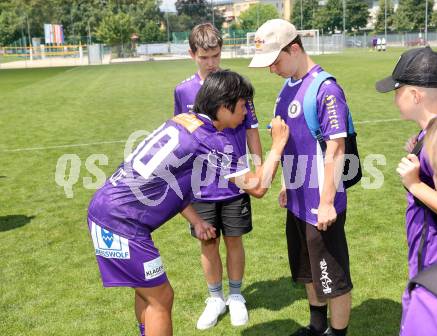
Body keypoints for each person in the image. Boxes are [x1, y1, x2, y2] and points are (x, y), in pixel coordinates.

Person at [87, 70, 289, 336]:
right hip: (121, 222)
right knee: (161, 298)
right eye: (242, 106)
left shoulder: (183, 120)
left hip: (106, 209)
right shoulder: (211, 141)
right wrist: (277, 144)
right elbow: (258, 187)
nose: (245, 113)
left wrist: (195, 219)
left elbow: (169, 180)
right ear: (222, 106)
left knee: (146, 291)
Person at [249, 19, 352, 336]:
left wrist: (326, 203)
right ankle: (316, 325)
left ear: (294, 49)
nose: (272, 69)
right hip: (297, 199)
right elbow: (293, 139)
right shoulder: (287, 87)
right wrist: (284, 183)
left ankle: (337, 332)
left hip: (320, 205)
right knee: (308, 270)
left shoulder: (325, 89)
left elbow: (336, 149)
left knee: (331, 275)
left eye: (275, 61)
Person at [174, 23, 262, 329]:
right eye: (204, 57)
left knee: (234, 240)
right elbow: (181, 132)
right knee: (208, 243)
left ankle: (236, 296)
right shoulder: (182, 90)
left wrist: (259, 165)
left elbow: (251, 129)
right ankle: (215, 298)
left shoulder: (236, 86)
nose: (211, 63)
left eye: (216, 55)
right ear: (192, 55)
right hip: (200, 185)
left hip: (235, 181)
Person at [376, 46, 437, 336]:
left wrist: (414, 184)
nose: (394, 99)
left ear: (415, 95)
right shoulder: (430, 133)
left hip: (434, 263)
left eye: (397, 91)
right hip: (426, 256)